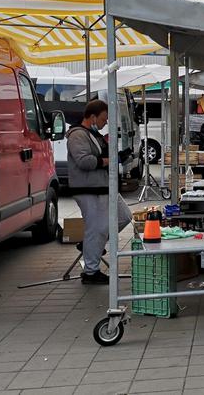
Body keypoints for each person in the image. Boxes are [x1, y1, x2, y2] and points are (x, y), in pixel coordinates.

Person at [66, 100, 132, 285]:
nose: (105, 123)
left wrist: (116, 153)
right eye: (103, 119)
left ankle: (91, 246)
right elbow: (84, 161)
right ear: (92, 117)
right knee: (97, 228)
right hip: (89, 189)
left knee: (124, 216)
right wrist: (108, 160)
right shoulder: (78, 135)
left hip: (103, 187)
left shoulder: (93, 134)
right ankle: (91, 271)